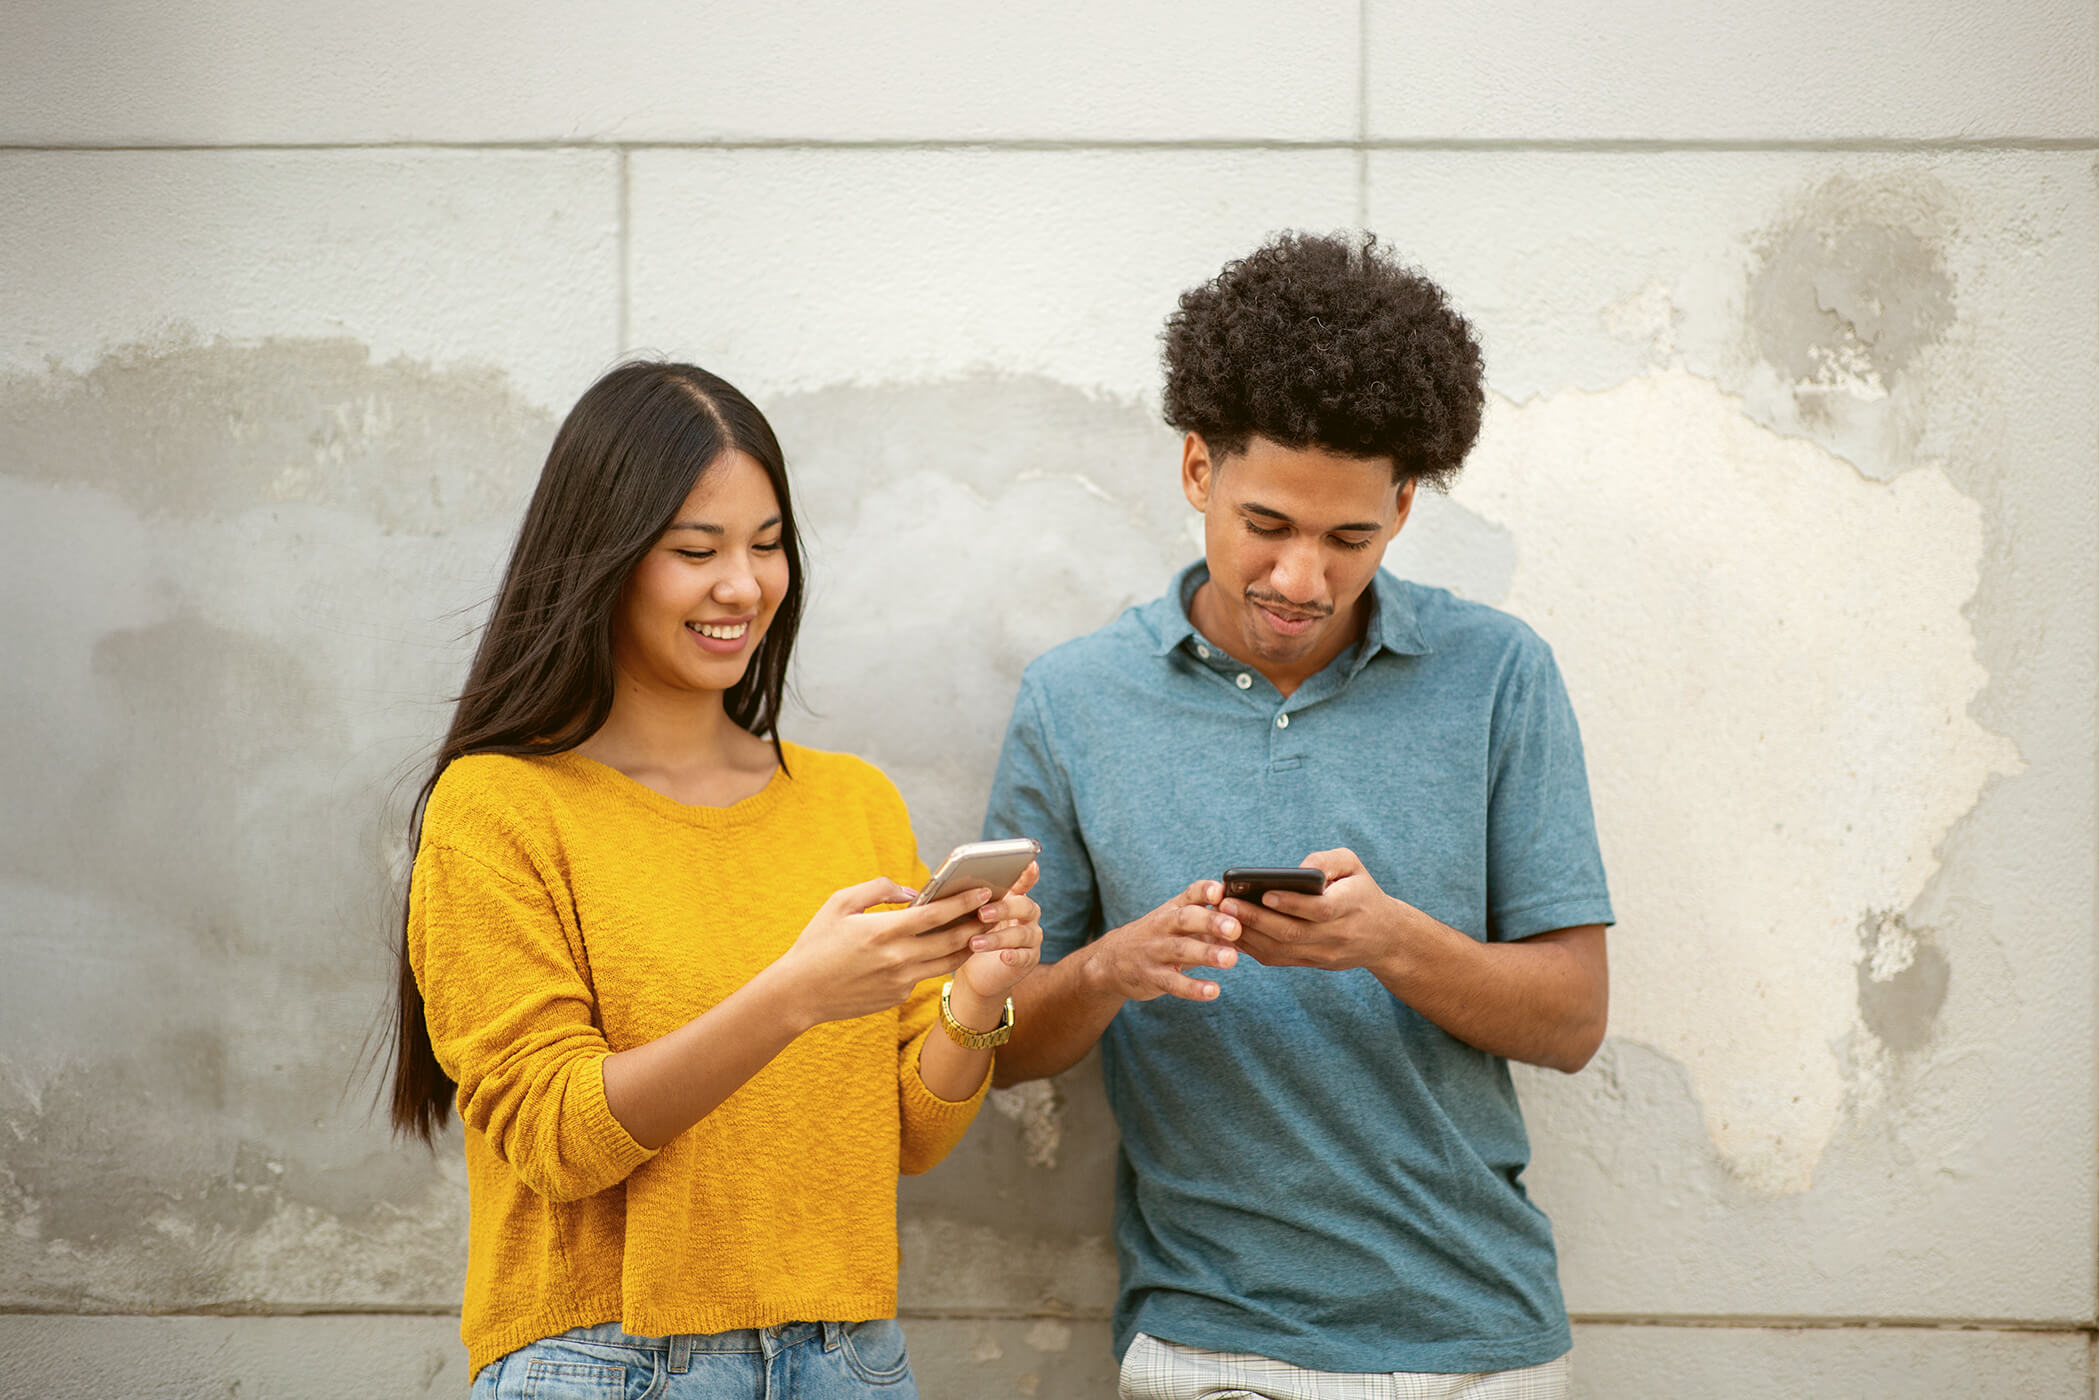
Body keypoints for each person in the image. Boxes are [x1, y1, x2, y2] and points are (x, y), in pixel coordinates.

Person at [981, 232, 1613, 1400]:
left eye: (1347, 538)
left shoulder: (1497, 673)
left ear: (1405, 505)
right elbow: (994, 1037)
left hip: (1481, 1344)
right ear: (1193, 470)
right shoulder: (1073, 700)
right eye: (1266, 523)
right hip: (1210, 1343)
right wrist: (1115, 964)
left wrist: (1387, 940)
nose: (1300, 578)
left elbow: (1571, 1018)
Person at [385, 360, 1042, 1398]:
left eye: (767, 544)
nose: (743, 585)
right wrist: (794, 996)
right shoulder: (499, 807)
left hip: (848, 1357)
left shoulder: (852, 802)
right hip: (607, 1361)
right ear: (601, 558)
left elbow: (913, 1134)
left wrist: (979, 993)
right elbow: (557, 1136)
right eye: (697, 549)